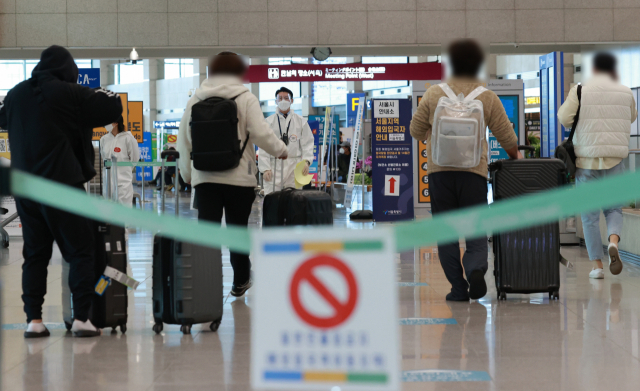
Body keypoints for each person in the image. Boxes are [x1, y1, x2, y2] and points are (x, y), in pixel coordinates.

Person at [0, 45, 123, 337]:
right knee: (81, 252)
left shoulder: (16, 95)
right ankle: (82, 318)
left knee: (35, 255)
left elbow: (3, 118)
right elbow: (112, 105)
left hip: (26, 190)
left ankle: (34, 321)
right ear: (70, 71)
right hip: (63, 187)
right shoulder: (71, 93)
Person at [410, 39, 521, 302]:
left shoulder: (434, 93)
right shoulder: (487, 96)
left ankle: (458, 289)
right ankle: (475, 270)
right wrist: (516, 157)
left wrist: (432, 133)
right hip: (474, 173)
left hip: (439, 174)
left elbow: (415, 131)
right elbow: (507, 136)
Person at [177, 52, 287, 297]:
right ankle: (240, 280)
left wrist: (187, 174)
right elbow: (261, 134)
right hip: (239, 179)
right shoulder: (245, 98)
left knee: (208, 235)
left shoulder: (195, 98)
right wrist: (282, 150)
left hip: (205, 179)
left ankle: (207, 287)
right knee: (237, 231)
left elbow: (184, 142)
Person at [558, 52, 636, 279]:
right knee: (614, 209)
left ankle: (597, 267)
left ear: (594, 69)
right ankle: (613, 242)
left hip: (587, 162)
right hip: (615, 160)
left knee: (589, 216)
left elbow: (564, 118)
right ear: (613, 69)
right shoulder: (625, 91)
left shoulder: (580, 90)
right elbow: (631, 117)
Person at [258, 87, 314, 193]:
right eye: (280, 98)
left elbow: (308, 144)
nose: (283, 101)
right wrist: (265, 168)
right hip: (274, 167)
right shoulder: (268, 122)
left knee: (293, 201)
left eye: (286, 98)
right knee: (273, 201)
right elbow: (263, 146)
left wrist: (306, 161)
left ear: (291, 100)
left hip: (294, 167)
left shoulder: (301, 122)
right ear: (276, 101)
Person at [100, 115, 140, 205]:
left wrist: (124, 172)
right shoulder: (104, 139)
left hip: (123, 181)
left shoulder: (128, 138)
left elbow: (134, 159)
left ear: (115, 123)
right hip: (108, 181)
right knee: (108, 209)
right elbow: (104, 158)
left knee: (124, 210)